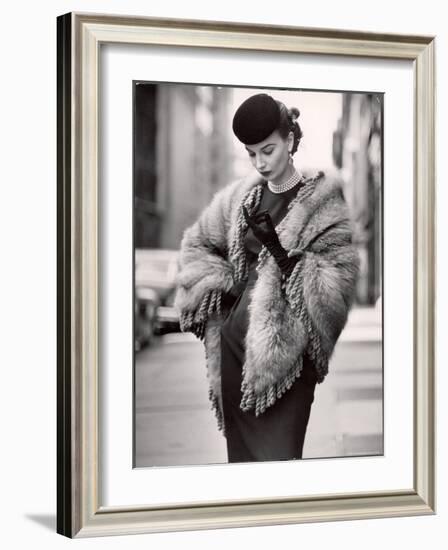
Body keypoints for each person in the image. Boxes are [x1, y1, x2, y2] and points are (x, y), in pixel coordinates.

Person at [174, 92, 359, 463]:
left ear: (290, 141)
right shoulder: (240, 198)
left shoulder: (324, 202)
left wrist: (277, 250)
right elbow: (195, 246)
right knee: (244, 470)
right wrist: (221, 293)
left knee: (281, 463)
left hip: (286, 365)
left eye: (268, 150)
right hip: (234, 354)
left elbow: (339, 286)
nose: (259, 162)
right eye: (251, 152)